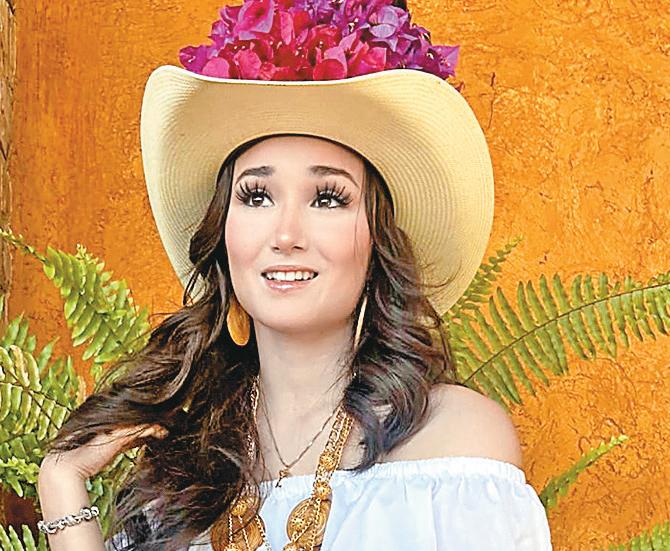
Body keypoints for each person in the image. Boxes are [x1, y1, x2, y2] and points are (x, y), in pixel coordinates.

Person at [37, 1, 553, 550]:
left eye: (327, 198)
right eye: (256, 196)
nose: (285, 234)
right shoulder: (181, 471)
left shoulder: (455, 445)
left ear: (377, 240)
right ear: (223, 234)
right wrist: (61, 484)